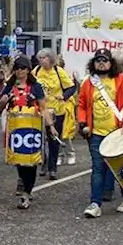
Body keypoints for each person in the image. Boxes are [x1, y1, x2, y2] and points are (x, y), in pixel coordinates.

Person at [77, 49, 123, 218]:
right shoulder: (88, 83)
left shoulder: (122, 80)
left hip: (119, 133)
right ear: (93, 63)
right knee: (98, 168)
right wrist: (83, 122)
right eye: (98, 60)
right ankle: (95, 203)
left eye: (104, 60)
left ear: (111, 63)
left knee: (122, 167)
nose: (101, 63)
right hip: (96, 133)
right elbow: (82, 105)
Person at [0, 55, 46, 209]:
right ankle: (24, 184)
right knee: (19, 161)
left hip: (32, 129)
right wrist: (4, 100)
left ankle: (26, 192)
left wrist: (50, 126)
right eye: (16, 68)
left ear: (28, 70)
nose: (19, 71)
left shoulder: (36, 87)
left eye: (22, 68)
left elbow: (43, 108)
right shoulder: (10, 86)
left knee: (31, 162)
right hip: (16, 129)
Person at [33, 49, 76, 180]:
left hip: (57, 110)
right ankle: (44, 164)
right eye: (39, 57)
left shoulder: (58, 71)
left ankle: (52, 168)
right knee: (41, 140)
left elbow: (71, 87)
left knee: (53, 139)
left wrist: (63, 96)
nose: (41, 60)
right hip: (40, 110)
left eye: (43, 57)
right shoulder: (35, 72)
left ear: (50, 59)